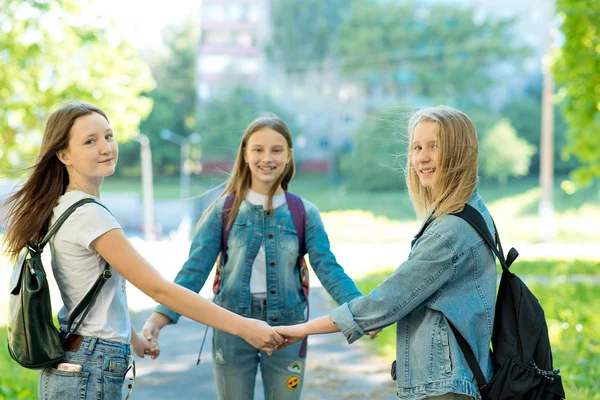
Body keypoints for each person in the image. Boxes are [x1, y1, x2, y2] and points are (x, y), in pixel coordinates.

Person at [2, 102, 283, 400]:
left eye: (108, 136)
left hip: (82, 361)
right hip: (89, 369)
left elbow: (93, 293)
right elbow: (159, 289)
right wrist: (243, 327)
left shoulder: (66, 205)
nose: (105, 147)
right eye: (90, 141)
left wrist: (133, 338)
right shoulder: (88, 215)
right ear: (64, 154)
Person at [142, 113, 373, 400]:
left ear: (289, 155)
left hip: (288, 328)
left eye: (276, 150)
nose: (268, 158)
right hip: (232, 327)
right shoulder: (223, 211)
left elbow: (329, 269)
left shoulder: (305, 213)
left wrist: (362, 313)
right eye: (258, 149)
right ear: (245, 154)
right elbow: (193, 271)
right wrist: (158, 318)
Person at [276, 105, 497, 400]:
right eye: (417, 147)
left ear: (459, 152)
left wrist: (301, 330)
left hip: (444, 385)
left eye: (435, 146)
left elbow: (387, 301)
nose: (422, 157)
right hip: (454, 378)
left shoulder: (450, 232)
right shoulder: (473, 211)